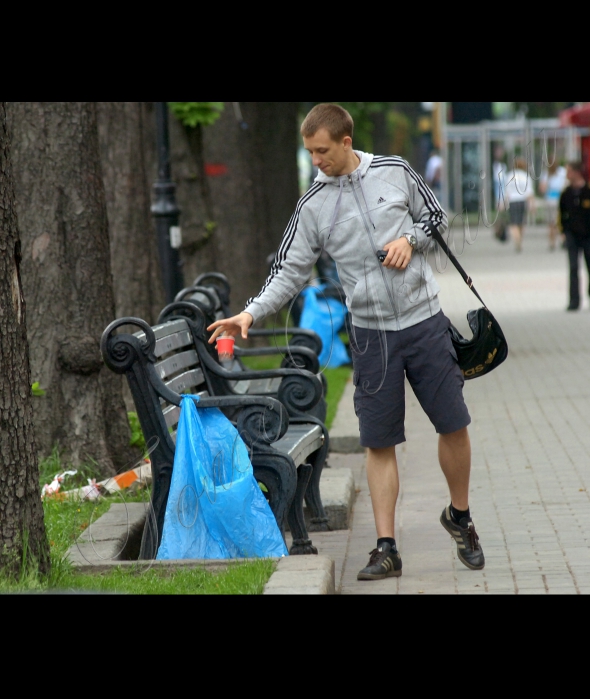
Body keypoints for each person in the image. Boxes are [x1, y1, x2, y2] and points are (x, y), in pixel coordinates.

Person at [207, 103, 485, 582]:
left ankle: (460, 515)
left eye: (322, 151)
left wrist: (410, 241)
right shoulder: (313, 204)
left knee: (453, 424)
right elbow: (289, 271)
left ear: (345, 142)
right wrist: (250, 312)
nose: (316, 160)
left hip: (423, 320)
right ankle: (386, 548)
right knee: (379, 441)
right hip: (371, 333)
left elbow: (436, 216)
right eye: (309, 152)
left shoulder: (394, 172)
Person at [559, 161, 590, 311]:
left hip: (589, 236)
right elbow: (561, 214)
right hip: (572, 236)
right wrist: (563, 231)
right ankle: (574, 301)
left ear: (576, 172)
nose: (567, 175)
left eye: (569, 171)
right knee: (573, 268)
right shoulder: (565, 193)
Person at [505, 157, 536, 253]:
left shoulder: (509, 176)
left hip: (512, 201)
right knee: (521, 222)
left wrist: (503, 203)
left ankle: (516, 239)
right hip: (522, 200)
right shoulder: (525, 176)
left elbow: (506, 192)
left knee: (514, 222)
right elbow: (529, 192)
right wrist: (532, 204)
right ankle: (520, 238)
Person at [540, 161, 568, 251]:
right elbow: (566, 185)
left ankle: (552, 242)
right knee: (559, 221)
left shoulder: (546, 174)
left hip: (549, 200)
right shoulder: (562, 172)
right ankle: (563, 239)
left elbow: (542, 188)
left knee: (551, 223)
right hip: (560, 199)